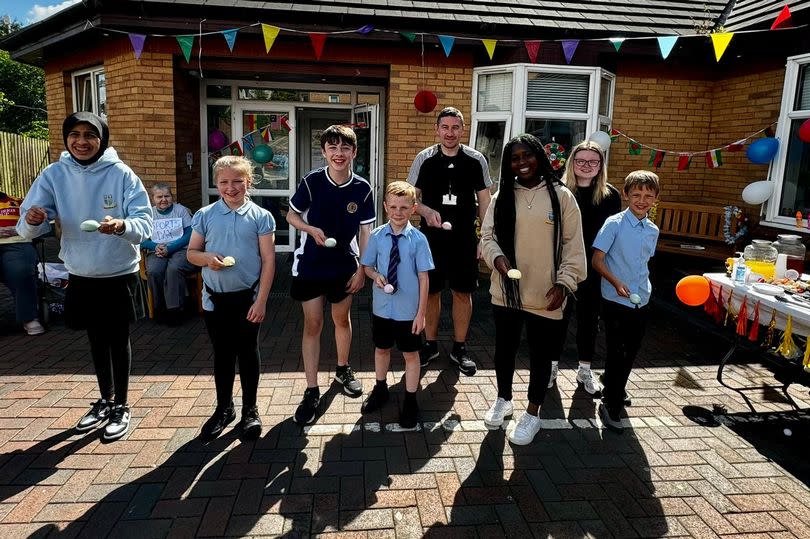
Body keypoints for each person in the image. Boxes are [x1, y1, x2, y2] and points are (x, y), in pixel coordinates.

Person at [17, 112, 152, 442]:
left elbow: (145, 224)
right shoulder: (54, 174)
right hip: (81, 272)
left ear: (101, 139)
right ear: (66, 138)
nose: (81, 141)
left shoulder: (121, 174)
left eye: (89, 135)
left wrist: (122, 226)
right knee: (95, 340)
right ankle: (104, 400)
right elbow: (25, 227)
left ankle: (121, 405)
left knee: (118, 340)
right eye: (74, 134)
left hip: (118, 271)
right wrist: (35, 218)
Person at [480, 134, 586, 446]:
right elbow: (487, 236)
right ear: (508, 164)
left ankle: (533, 412)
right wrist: (497, 258)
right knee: (504, 351)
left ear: (539, 157)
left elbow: (574, 246)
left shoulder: (561, 196)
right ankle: (504, 399)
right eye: (515, 158)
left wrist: (565, 283)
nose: (522, 163)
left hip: (546, 293)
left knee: (541, 356)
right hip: (507, 293)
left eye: (528, 156)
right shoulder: (503, 196)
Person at [287, 125, 375, 425]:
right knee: (313, 324)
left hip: (344, 266)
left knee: (341, 320)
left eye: (345, 148)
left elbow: (366, 230)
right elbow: (291, 215)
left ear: (353, 152)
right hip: (310, 264)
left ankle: (342, 368)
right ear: (324, 151)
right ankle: (311, 390)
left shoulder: (363, 187)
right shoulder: (312, 182)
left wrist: (363, 268)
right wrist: (309, 229)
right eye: (332, 148)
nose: (339, 153)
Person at [187, 155, 276, 441]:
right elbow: (191, 253)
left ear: (249, 182)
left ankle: (251, 409)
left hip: (248, 298)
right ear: (216, 183)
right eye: (224, 182)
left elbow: (269, 260)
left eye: (238, 181)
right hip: (215, 299)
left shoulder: (261, 217)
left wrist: (261, 300)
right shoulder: (205, 215)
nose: (231, 187)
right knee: (223, 354)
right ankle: (224, 408)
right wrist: (206, 258)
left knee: (248, 352)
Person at [407, 106, 492, 376]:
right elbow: (410, 198)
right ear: (437, 129)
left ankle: (459, 347)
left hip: (465, 239)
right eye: (445, 127)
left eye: (455, 127)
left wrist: (484, 238)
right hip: (430, 239)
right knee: (430, 292)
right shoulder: (425, 158)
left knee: (462, 292)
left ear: (463, 130)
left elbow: (485, 202)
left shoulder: (476, 159)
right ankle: (430, 345)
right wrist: (425, 210)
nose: (450, 133)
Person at [360, 181, 434, 428]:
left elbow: (424, 278)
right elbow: (367, 266)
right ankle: (381, 389)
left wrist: (421, 314)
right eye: (393, 207)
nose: (398, 212)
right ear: (385, 207)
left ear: (413, 208)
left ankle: (411, 400)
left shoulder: (419, 240)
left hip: (408, 311)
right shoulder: (378, 236)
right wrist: (375, 276)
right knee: (381, 349)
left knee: (410, 354)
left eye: (404, 207)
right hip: (382, 308)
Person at [592, 170, 660, 433]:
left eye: (648, 196)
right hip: (614, 298)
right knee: (617, 349)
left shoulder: (652, 230)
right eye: (636, 195)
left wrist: (642, 289)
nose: (641, 201)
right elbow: (597, 261)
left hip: (641, 299)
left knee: (631, 349)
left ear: (656, 198)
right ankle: (611, 404)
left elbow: (644, 264)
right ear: (626, 195)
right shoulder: (614, 224)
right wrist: (616, 282)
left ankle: (613, 383)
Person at [553, 141, 621, 396]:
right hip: (563, 264)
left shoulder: (610, 195)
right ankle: (551, 366)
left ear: (601, 165)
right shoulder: (559, 190)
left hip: (593, 266)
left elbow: (611, 235)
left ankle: (584, 368)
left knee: (589, 320)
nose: (587, 166)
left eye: (593, 161)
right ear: (572, 163)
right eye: (581, 161)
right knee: (558, 316)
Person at [141, 183, 196, 325]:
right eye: (159, 197)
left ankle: (175, 309)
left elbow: (190, 234)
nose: (163, 200)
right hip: (156, 250)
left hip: (180, 249)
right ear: (153, 198)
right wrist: (154, 246)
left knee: (174, 268)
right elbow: (140, 238)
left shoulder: (181, 210)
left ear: (172, 197)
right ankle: (160, 308)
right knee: (154, 270)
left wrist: (170, 248)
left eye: (167, 196)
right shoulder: (148, 213)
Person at [0, 191, 45, 336]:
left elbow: (35, 228)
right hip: (15, 237)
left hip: (17, 244)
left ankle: (29, 317)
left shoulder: (20, 202)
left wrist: (11, 231)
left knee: (21, 270)